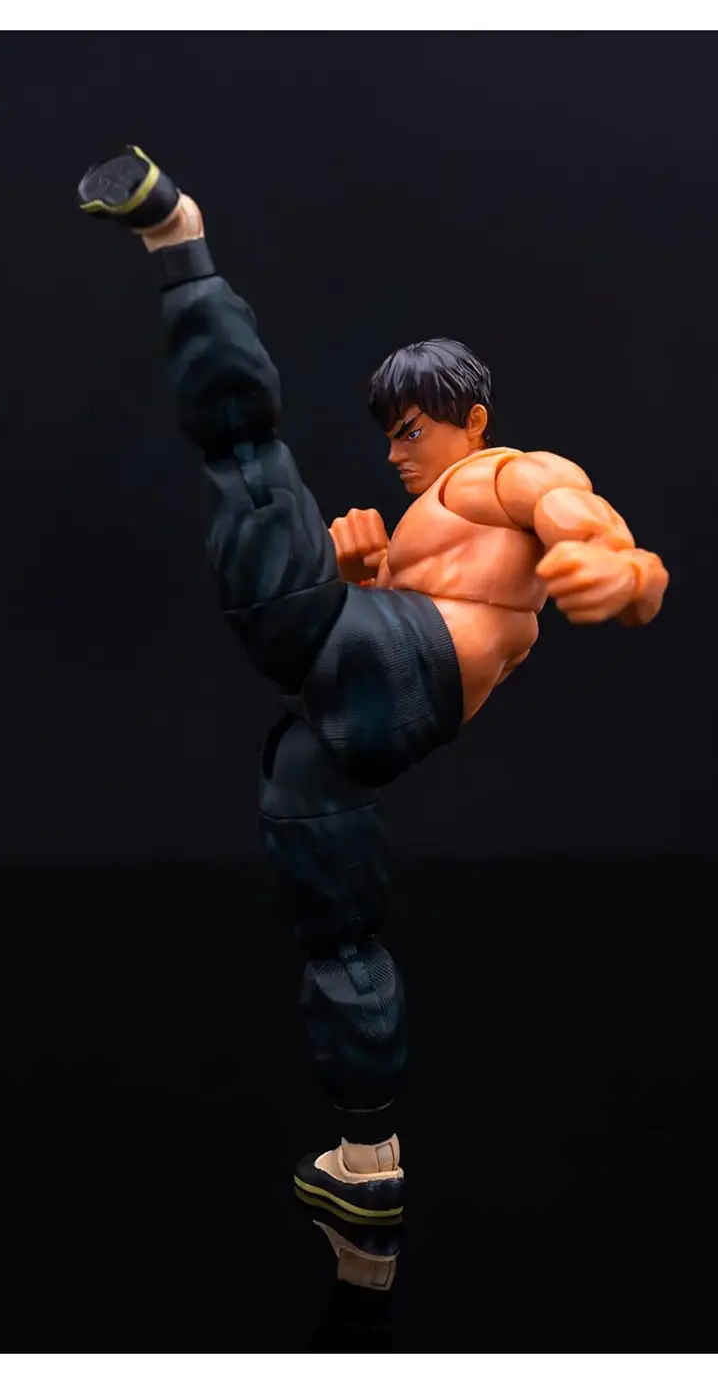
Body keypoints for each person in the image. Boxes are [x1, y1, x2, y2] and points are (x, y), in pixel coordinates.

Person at [78, 147, 669, 1221]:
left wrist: (620, 571)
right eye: (391, 435)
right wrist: (363, 573)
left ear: (471, 422)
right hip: (376, 705)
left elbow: (582, 521)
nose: (398, 454)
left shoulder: (498, 474)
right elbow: (418, 596)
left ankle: (179, 241)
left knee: (248, 460)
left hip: (401, 667)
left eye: (413, 432)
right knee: (327, 897)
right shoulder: (427, 519)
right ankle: (366, 1152)